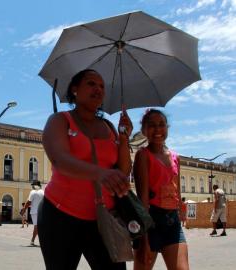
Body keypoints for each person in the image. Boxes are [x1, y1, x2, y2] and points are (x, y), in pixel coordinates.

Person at [39, 69, 132, 269]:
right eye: (91, 84)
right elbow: (60, 160)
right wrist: (100, 173)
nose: (98, 89)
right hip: (60, 216)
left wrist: (124, 138)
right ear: (74, 89)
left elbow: (123, 171)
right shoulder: (59, 120)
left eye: (102, 86)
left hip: (104, 219)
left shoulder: (109, 126)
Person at [133, 109, 189, 270]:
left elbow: (176, 190)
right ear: (144, 130)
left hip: (172, 223)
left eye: (162, 125)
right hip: (151, 221)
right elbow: (142, 197)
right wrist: (143, 238)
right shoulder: (143, 155)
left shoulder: (175, 157)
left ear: (167, 128)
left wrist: (180, 212)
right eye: (151, 125)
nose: (157, 129)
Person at [21, 181, 44, 245]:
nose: (32, 186)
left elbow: (29, 202)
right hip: (42, 211)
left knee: (37, 226)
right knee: (39, 226)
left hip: (35, 211)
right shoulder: (43, 192)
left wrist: (24, 209)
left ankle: (33, 240)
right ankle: (34, 240)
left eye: (33, 185)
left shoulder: (33, 192)